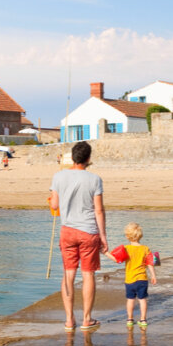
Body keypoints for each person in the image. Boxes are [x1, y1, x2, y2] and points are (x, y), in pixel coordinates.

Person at [48, 141, 107, 332]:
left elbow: (55, 205)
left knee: (68, 274)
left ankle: (69, 320)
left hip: (67, 231)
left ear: (73, 157)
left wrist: (51, 199)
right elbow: (99, 210)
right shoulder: (95, 179)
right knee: (88, 274)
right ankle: (86, 319)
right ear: (88, 158)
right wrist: (103, 236)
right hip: (88, 231)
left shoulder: (58, 176)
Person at [106, 222, 157, 329]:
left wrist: (105, 253)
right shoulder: (145, 249)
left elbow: (117, 260)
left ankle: (130, 319)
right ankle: (143, 319)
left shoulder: (126, 248)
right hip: (142, 279)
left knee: (130, 299)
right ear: (140, 235)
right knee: (142, 299)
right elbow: (150, 264)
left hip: (130, 279)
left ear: (127, 236)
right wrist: (153, 276)